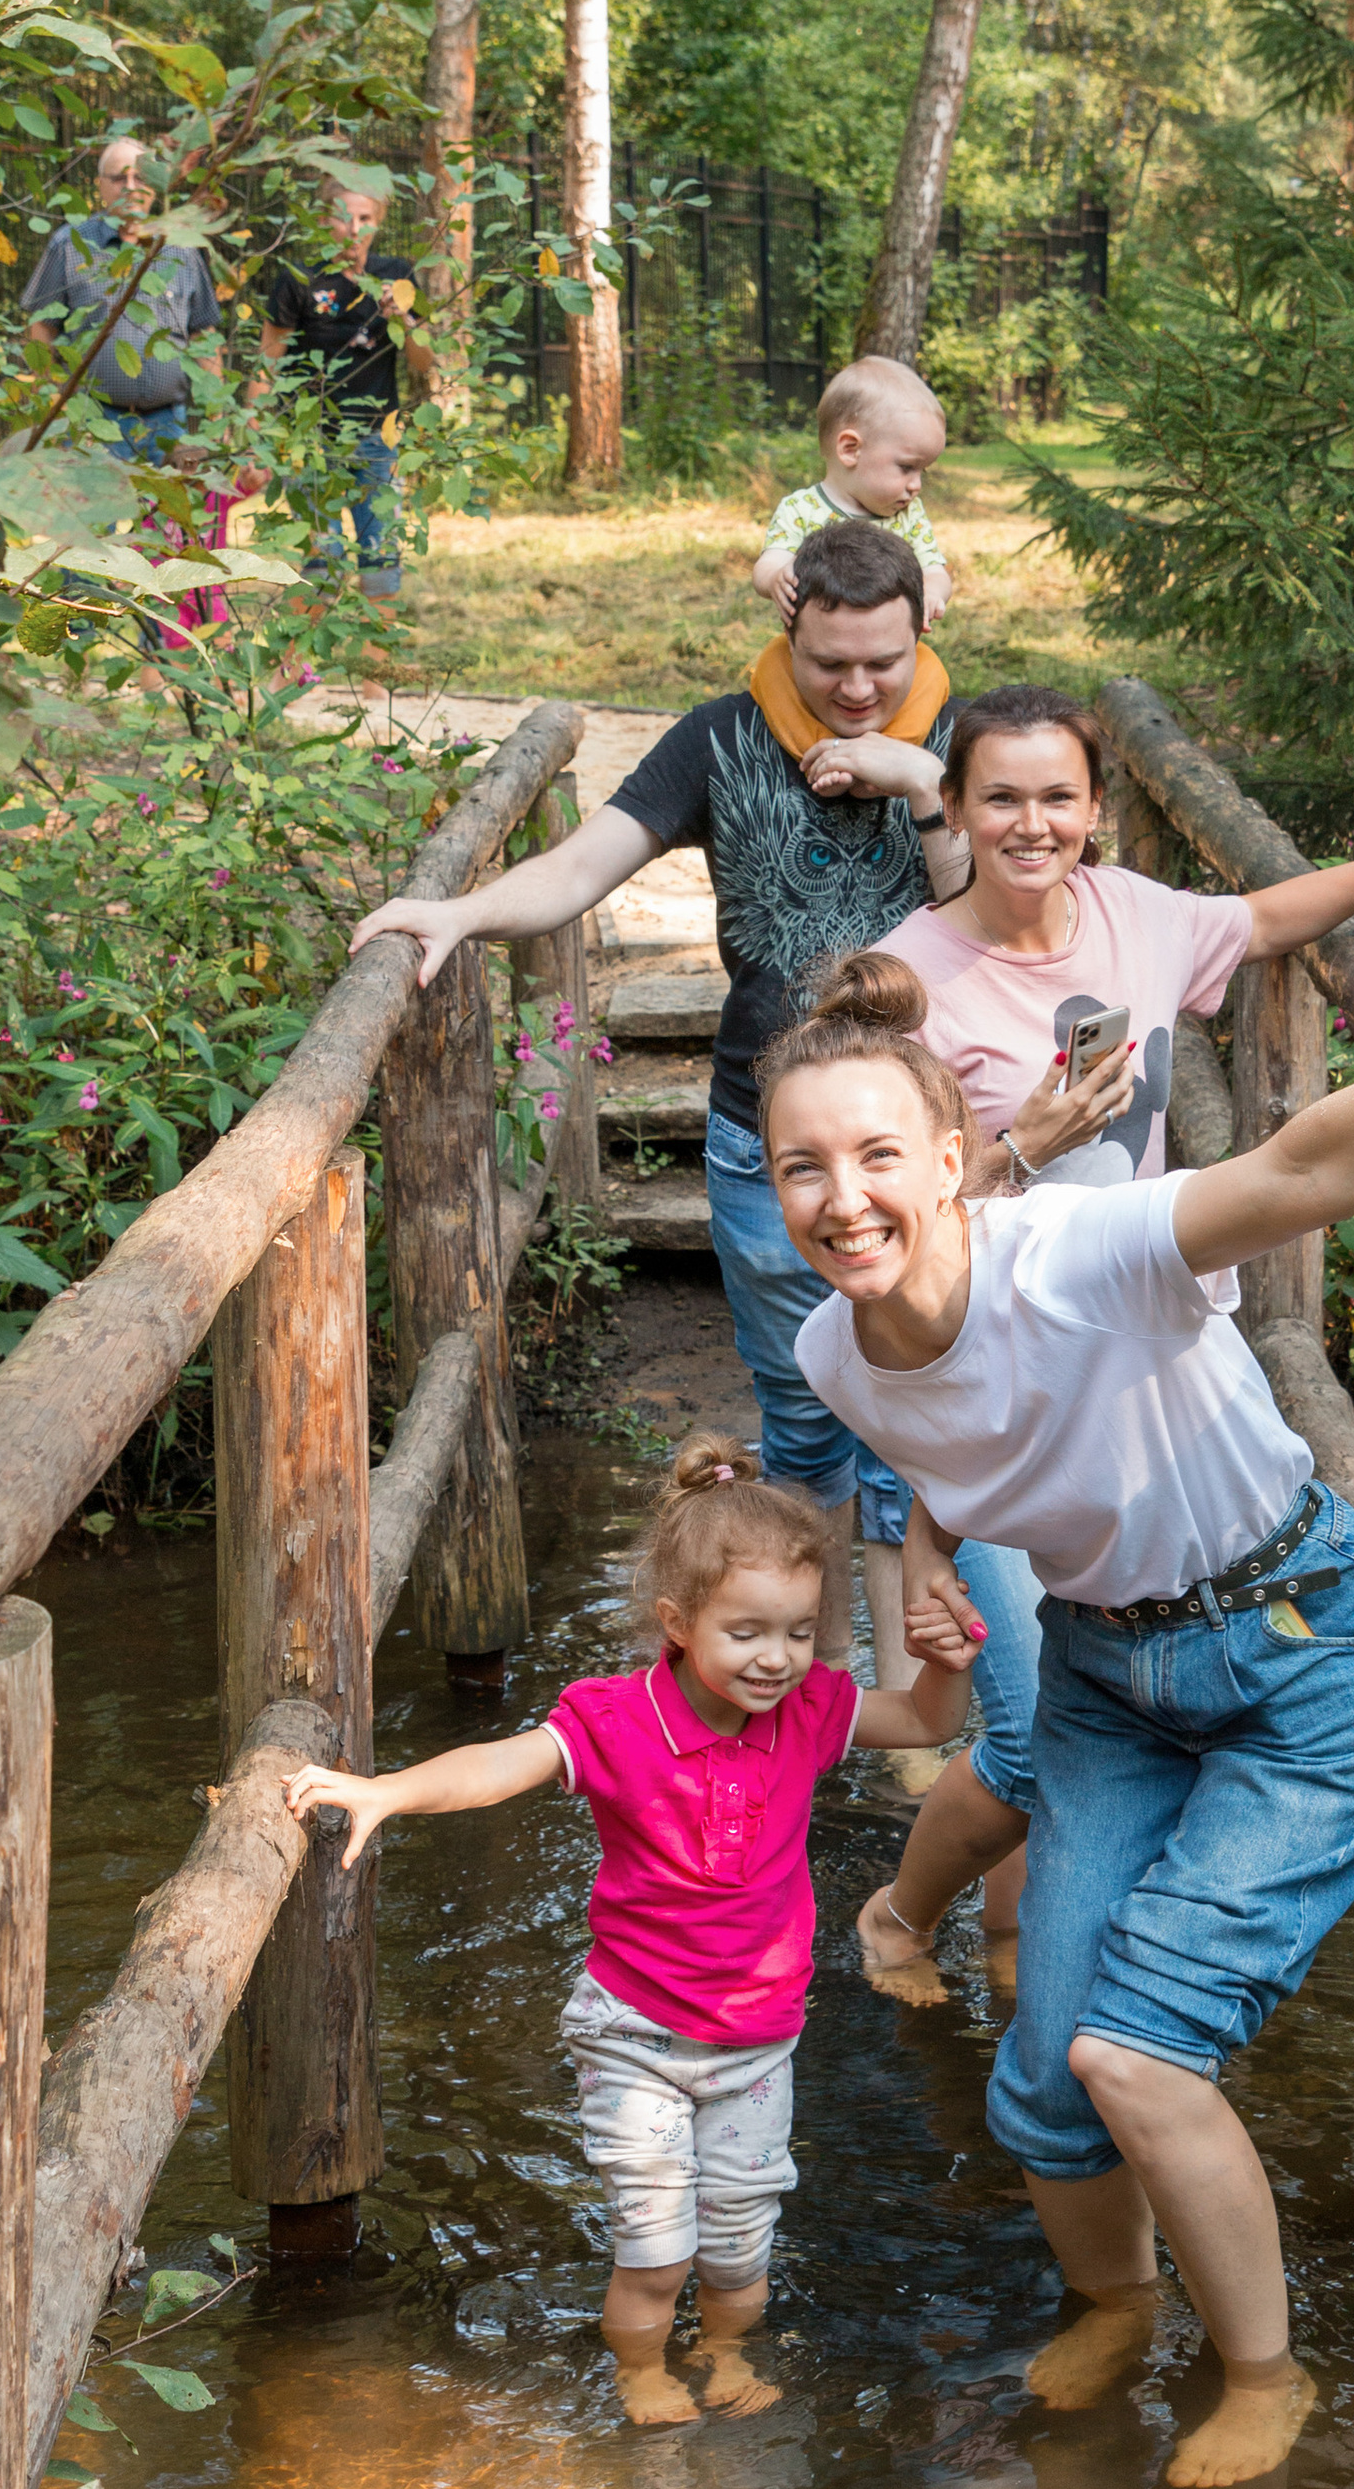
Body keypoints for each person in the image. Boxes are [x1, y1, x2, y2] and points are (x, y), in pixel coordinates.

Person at [755, 798, 1354, 2489]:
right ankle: (1119, 2304)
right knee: (1042, 2082)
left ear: (952, 1160)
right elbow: (957, 1450)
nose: (843, 1202)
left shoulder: (1078, 1249)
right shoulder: (837, 1356)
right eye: (802, 1170)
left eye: (878, 1159)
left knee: (1133, 2052)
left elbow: (1304, 1171)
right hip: (1108, 1677)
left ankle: (1265, 2373)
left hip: (1310, 1647)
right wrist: (926, 1558)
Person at [856, 686, 1354, 1992]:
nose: (1032, 825)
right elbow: (884, 1237)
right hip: (983, 1393)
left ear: (1096, 808)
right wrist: (1026, 1144)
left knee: (1068, 1725)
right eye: (1000, 798)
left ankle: (1021, 1962)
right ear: (954, 808)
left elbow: (1260, 921)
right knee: (1023, 1733)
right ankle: (902, 1918)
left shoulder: (1133, 914)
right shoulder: (916, 982)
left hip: (1123, 1382)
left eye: (1058, 797)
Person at [349, 515, 972, 1682]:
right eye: (829, 664)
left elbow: (985, 920)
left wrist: (927, 787)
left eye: (882, 665)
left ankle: (910, 1714)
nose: (855, 689)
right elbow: (584, 865)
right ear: (788, 626)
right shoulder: (721, 738)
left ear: (921, 633)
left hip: (915, 1139)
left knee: (920, 1418)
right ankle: (822, 1691)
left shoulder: (959, 741)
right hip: (762, 1142)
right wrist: (460, 915)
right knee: (804, 1416)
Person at [280, 1433, 979, 2430]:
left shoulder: (811, 1708)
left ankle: (725, 2352)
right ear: (677, 1624)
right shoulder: (616, 1719)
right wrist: (388, 1790)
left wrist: (947, 1664)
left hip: (758, 2043)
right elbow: (504, 1765)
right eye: (746, 1632)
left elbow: (922, 1721)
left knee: (740, 2248)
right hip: (635, 2034)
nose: (776, 1658)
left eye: (797, 1632)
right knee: (655, 2250)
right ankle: (641, 2370)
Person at [255, 184, 429, 602]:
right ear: (321, 220)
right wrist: (254, 435)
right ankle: (308, 648)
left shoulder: (398, 275)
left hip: (377, 441)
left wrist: (403, 321)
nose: (354, 229)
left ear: (378, 222)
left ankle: (375, 648)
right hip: (310, 443)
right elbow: (267, 363)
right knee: (320, 570)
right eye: (343, 217)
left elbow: (425, 362)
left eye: (365, 219)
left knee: (381, 565)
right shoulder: (299, 278)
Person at [22, 134, 224, 461]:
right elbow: (42, 329)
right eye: (119, 178)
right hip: (92, 424)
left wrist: (217, 413)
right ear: (101, 185)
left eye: (140, 178)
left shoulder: (181, 248)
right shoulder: (70, 245)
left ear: (154, 185)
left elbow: (204, 333)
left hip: (169, 425)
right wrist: (49, 411)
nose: (130, 187)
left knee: (169, 498)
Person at [755, 355, 952, 627]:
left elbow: (936, 572)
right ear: (850, 450)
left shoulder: (909, 515)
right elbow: (767, 566)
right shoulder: (800, 510)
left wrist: (933, 592)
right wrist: (775, 578)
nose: (916, 485)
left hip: (889, 646)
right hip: (821, 646)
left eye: (923, 471)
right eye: (906, 467)